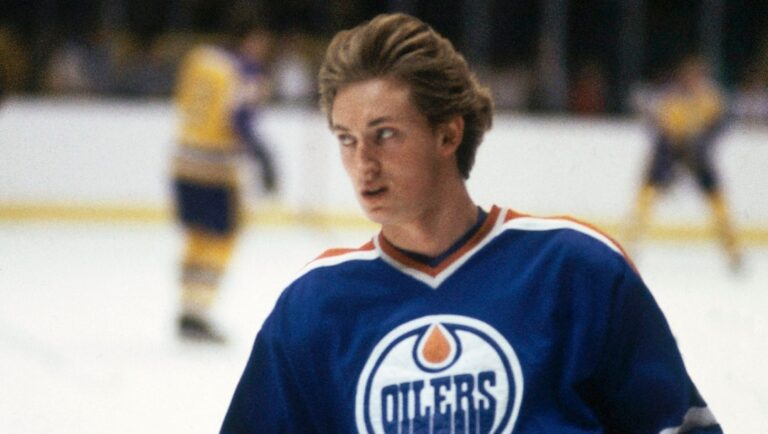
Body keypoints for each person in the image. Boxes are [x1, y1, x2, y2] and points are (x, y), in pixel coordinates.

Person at [221, 13, 721, 433]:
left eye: (386, 134)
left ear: (448, 134)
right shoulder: (312, 308)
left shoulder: (575, 270)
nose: (363, 163)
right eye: (347, 139)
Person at [172, 18, 277, 343]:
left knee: (196, 237)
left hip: (184, 162)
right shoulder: (246, 70)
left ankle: (187, 306)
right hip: (217, 168)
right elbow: (239, 119)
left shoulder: (199, 59)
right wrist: (264, 157)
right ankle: (199, 311)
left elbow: (182, 101)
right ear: (251, 39)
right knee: (221, 239)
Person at [625, 55, 742, 270]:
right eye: (689, 75)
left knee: (717, 197)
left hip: (697, 152)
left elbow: (721, 124)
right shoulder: (671, 96)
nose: (692, 79)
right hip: (669, 150)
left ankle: (732, 250)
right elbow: (657, 125)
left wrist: (703, 141)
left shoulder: (710, 97)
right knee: (647, 194)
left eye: (696, 75)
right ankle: (630, 245)